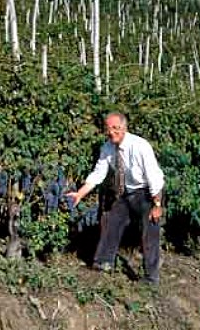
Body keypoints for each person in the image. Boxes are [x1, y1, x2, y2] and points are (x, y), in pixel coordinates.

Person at [67, 112, 164, 285]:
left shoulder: (140, 146)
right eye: (109, 128)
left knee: (150, 231)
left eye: (116, 128)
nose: (112, 132)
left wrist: (157, 205)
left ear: (124, 128)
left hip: (148, 192)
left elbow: (154, 177)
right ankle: (103, 263)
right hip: (127, 193)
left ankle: (151, 278)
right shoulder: (107, 148)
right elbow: (98, 174)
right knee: (111, 220)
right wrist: (80, 194)